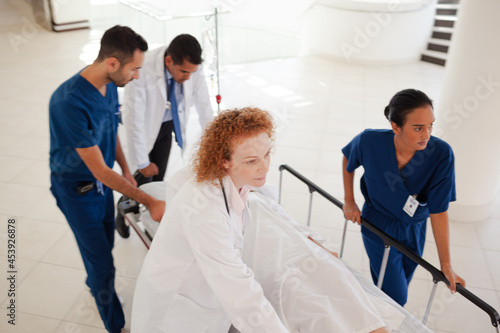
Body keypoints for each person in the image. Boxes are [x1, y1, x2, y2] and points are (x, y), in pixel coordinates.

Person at [131, 107, 393, 333]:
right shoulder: (204, 210)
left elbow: (277, 213)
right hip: (177, 308)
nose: (265, 167)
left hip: (208, 296)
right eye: (252, 160)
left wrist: (312, 238)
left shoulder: (246, 182)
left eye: (267, 154)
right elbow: (240, 291)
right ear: (224, 161)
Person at [49, 25, 165, 333]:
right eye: (135, 69)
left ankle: (94, 284)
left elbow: (110, 131)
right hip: (77, 192)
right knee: (104, 265)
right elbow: (99, 170)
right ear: (112, 63)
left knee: (104, 245)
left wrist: (127, 171)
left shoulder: (110, 85)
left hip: (101, 189)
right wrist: (150, 201)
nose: (137, 75)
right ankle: (116, 326)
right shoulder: (68, 103)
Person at [341, 88, 465, 306]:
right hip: (377, 225)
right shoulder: (370, 141)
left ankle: (379, 315)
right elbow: (347, 159)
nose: (426, 134)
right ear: (395, 127)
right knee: (396, 296)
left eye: (430, 126)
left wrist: (446, 265)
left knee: (398, 284)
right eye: (418, 128)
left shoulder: (441, 154)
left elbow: (438, 211)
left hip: (414, 227)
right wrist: (349, 200)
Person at [117, 33, 214, 238]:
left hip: (168, 124)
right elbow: (134, 119)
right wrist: (142, 161)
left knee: (156, 180)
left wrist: (216, 140)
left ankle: (149, 221)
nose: (188, 77)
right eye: (184, 72)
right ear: (169, 61)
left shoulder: (192, 68)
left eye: (192, 72)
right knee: (140, 178)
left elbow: (204, 105)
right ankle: (123, 211)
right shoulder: (143, 69)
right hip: (145, 126)